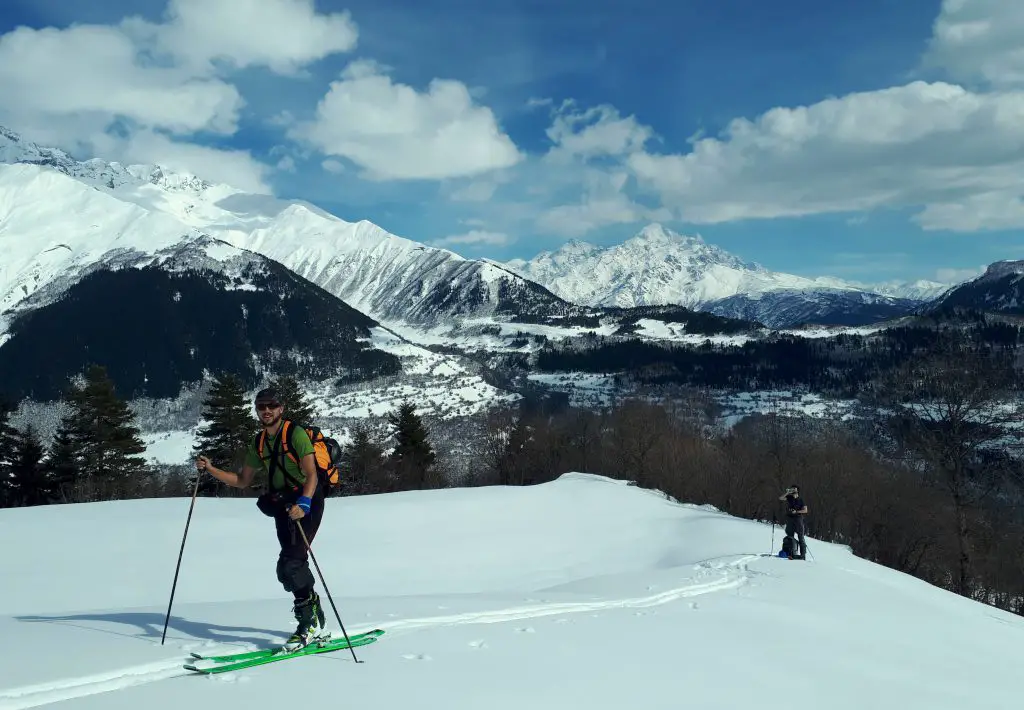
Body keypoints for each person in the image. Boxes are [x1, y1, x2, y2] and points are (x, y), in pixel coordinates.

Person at [195, 387, 327, 649]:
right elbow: (242, 481)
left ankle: (308, 623)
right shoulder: (259, 442)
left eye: (271, 406)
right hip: (283, 504)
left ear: (281, 409)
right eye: (261, 407)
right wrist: (210, 469)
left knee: (291, 564)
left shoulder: (295, 434)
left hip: (307, 502)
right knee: (287, 568)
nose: (266, 411)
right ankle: (311, 605)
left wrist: (304, 502)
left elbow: (311, 474)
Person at [778, 485, 808, 560]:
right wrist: (787, 493)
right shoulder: (789, 497)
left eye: (794, 489)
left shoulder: (801, 500)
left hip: (798, 519)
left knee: (801, 537)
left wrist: (797, 511)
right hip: (790, 519)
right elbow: (780, 498)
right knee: (790, 536)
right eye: (792, 489)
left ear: (797, 490)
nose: (793, 490)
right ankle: (791, 552)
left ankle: (802, 555)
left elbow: (805, 510)